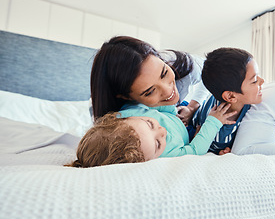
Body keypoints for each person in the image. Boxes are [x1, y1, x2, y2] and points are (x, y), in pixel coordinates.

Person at [66, 101, 236, 168]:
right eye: (158, 144)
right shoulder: (168, 154)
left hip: (177, 112)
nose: (163, 131)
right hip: (190, 132)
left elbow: (156, 106)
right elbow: (195, 150)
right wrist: (213, 122)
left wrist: (172, 107)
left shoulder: (130, 113)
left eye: (151, 124)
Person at [90, 36, 210, 125]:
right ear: (127, 97)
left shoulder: (182, 64)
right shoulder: (121, 118)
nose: (168, 91)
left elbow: (212, 72)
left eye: (164, 73)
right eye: (150, 92)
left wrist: (192, 107)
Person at [193, 47, 264, 154]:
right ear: (231, 97)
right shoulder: (221, 135)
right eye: (254, 81)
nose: (262, 81)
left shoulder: (227, 94)